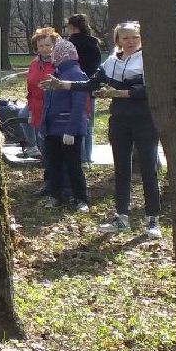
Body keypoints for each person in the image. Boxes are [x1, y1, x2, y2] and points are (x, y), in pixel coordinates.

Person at [43, 20, 161, 238]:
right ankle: (121, 217)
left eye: (135, 37)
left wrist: (120, 94)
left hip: (145, 120)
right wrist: (62, 85)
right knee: (121, 169)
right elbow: (91, 84)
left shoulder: (148, 60)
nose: (131, 41)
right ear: (118, 40)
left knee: (148, 169)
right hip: (119, 121)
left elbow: (150, 90)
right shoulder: (111, 62)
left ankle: (152, 219)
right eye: (126, 38)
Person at [39, 39, 90, 211]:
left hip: (68, 129)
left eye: (55, 53)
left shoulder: (76, 74)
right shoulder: (57, 72)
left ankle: (80, 198)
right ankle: (56, 196)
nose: (53, 56)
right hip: (52, 128)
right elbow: (48, 103)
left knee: (73, 165)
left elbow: (79, 105)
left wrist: (71, 130)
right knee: (54, 164)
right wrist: (44, 126)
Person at [65, 14, 103, 163]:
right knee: (88, 123)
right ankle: (88, 156)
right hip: (90, 86)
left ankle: (80, 157)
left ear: (72, 27)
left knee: (77, 121)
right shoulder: (94, 44)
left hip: (74, 85)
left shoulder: (70, 45)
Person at [22, 27, 59, 171]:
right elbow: (31, 88)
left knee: (51, 143)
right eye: (41, 46)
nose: (44, 49)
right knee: (41, 141)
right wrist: (31, 109)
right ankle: (46, 169)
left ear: (54, 45)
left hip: (53, 107)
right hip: (36, 106)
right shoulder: (34, 63)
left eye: (48, 45)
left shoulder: (60, 63)